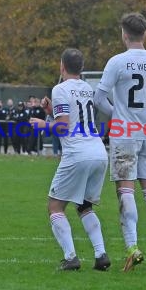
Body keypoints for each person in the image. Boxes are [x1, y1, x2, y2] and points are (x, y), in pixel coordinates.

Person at [94, 12, 146, 271]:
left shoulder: (117, 61)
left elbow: (99, 98)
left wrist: (119, 112)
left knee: (126, 189)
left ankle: (133, 246)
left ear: (124, 34)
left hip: (125, 132)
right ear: (145, 34)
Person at [29, 48, 110, 271]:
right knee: (84, 206)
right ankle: (101, 254)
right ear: (81, 68)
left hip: (78, 153)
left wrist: (42, 124)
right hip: (99, 152)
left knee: (55, 207)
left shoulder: (60, 89)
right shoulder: (86, 88)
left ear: (61, 66)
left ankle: (71, 257)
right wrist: (50, 111)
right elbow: (74, 118)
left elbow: (64, 126)